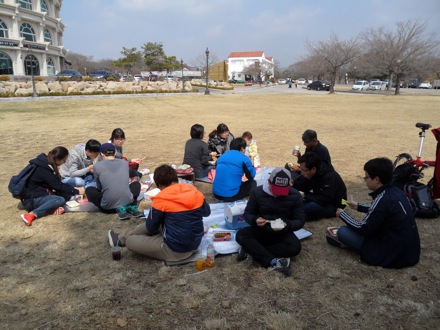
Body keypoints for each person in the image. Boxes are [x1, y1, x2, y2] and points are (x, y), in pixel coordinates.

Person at [107, 164, 211, 262]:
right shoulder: (194, 191)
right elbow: (207, 213)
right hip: (196, 243)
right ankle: (121, 240)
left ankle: (125, 240)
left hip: (175, 250)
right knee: (151, 225)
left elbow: (151, 227)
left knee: (131, 241)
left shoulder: (161, 199)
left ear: (160, 185)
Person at [330, 157, 420, 269]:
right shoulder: (396, 192)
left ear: (377, 179)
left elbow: (363, 228)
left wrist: (342, 214)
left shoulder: (383, 198)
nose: (365, 180)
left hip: (392, 254)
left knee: (343, 231)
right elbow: (381, 210)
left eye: (366, 177)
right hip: (410, 252)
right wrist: (358, 206)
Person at [235, 168, 305, 276]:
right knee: (241, 235)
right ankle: (272, 261)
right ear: (269, 182)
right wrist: (255, 220)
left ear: (289, 185)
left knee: (295, 248)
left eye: (283, 190)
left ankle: (251, 250)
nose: (279, 194)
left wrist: (288, 224)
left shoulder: (295, 195)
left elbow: (300, 220)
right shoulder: (257, 192)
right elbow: (248, 214)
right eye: (276, 189)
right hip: (261, 229)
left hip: (282, 231)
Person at [19, 146, 85, 226]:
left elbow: (56, 185)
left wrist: (73, 190)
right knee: (59, 200)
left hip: (40, 193)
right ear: (58, 159)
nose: (63, 163)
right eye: (64, 161)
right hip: (31, 200)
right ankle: (31, 214)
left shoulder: (46, 163)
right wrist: (76, 191)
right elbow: (57, 186)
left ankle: (51, 209)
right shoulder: (43, 169)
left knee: (62, 194)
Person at [85, 143, 142, 220]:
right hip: (127, 201)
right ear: (115, 152)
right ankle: (129, 205)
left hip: (107, 207)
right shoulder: (124, 163)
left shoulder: (97, 166)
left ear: (101, 154)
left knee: (89, 190)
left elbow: (99, 187)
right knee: (136, 184)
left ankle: (118, 206)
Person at [293, 152, 347, 221]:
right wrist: (292, 183)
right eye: (301, 169)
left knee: (310, 206)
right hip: (320, 197)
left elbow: (325, 199)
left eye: (304, 170)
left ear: (313, 169)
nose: (302, 173)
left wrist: (305, 196)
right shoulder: (312, 173)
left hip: (335, 204)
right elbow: (305, 187)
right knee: (296, 200)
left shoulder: (329, 177)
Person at [213, 137, 257, 202]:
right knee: (253, 183)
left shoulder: (222, 156)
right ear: (242, 148)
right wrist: (252, 164)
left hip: (216, 193)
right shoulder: (244, 159)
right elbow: (251, 176)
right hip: (230, 195)